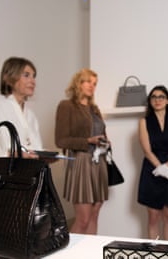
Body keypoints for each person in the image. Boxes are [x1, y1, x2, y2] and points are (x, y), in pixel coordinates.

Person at [55, 68, 109, 234]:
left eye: (95, 83)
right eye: (88, 81)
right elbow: (61, 140)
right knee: (83, 219)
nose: (92, 86)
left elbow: (101, 133)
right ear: (78, 83)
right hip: (80, 163)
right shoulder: (67, 106)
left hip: (99, 163)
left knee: (94, 215)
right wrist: (88, 141)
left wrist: (105, 142)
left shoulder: (95, 109)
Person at [137, 85, 168, 241]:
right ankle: (154, 255)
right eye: (154, 97)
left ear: (167, 101)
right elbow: (147, 150)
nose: (157, 100)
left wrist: (167, 167)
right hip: (152, 170)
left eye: (161, 97)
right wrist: (160, 168)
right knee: (153, 217)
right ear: (150, 101)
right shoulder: (144, 122)